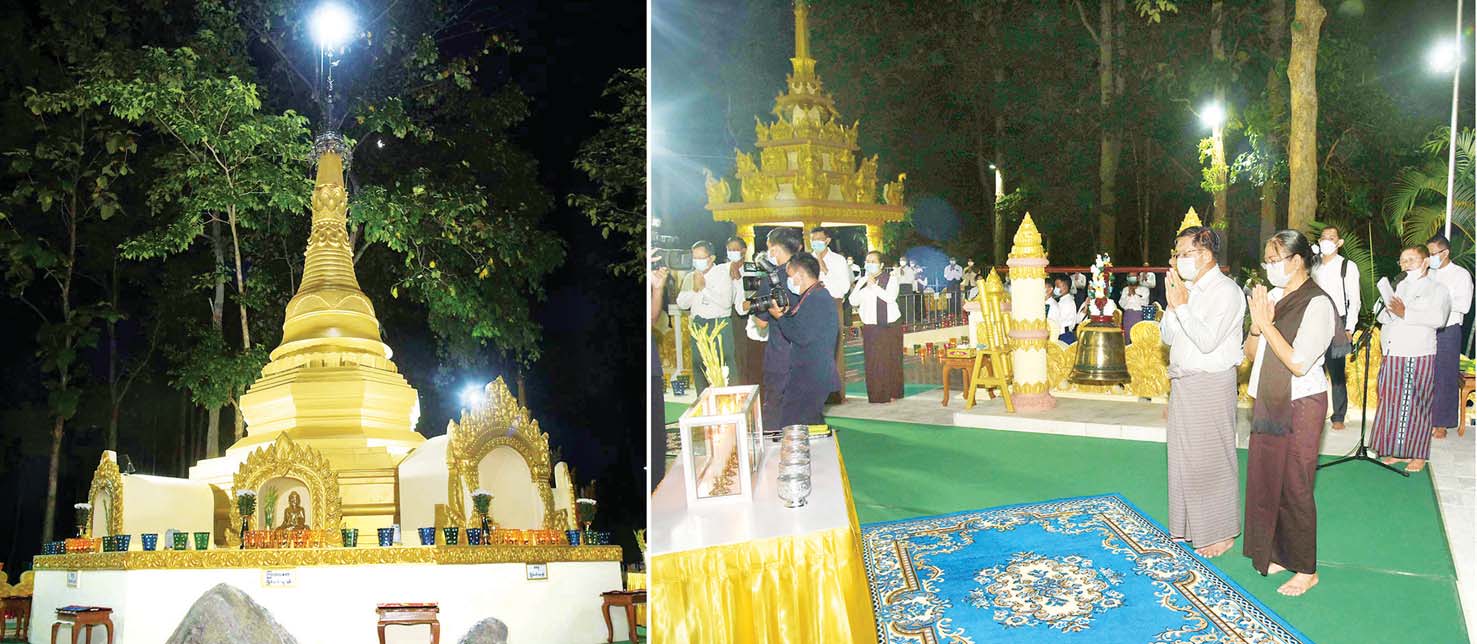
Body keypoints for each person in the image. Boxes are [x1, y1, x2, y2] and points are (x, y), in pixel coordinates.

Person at [1243, 230, 1342, 597]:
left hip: (1301, 403)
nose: (1269, 267)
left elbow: (1299, 363)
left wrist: (1268, 325)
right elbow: (1251, 354)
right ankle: (1279, 553)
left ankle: (1306, 568)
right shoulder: (1272, 297)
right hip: (1269, 399)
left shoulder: (1317, 303)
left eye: (1275, 260)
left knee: (1296, 485)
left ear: (1297, 260)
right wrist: (1257, 327)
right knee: (1270, 479)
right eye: (1266, 261)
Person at [1160, 226, 1245, 559]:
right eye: (1177, 254)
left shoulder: (1226, 291)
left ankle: (1221, 532)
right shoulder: (1188, 290)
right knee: (1184, 459)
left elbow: (1208, 341)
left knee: (1212, 460)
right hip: (1183, 382)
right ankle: (1187, 527)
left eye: (1185, 253)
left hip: (1211, 383)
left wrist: (1182, 306)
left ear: (1206, 255)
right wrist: (1173, 306)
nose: (1178, 260)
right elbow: (1168, 337)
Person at [1370, 246, 1450, 472]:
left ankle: (1418, 454)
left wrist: (1405, 313)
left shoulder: (1437, 289)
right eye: (1403, 260)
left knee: (1417, 403)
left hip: (1418, 351)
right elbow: (1386, 316)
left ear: (1425, 262)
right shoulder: (1400, 286)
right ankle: (1396, 450)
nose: (1405, 264)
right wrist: (1385, 310)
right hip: (1393, 351)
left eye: (1411, 260)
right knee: (1392, 402)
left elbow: (1439, 318)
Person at [766, 253, 842, 426]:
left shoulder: (817, 299)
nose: (788, 281)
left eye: (790, 276)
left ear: (800, 276)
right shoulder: (815, 295)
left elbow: (801, 335)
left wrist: (780, 317)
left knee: (794, 424)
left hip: (810, 376)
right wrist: (786, 314)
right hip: (809, 374)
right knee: (809, 423)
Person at [752, 228, 803, 430]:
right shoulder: (810, 274)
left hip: (781, 354)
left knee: (775, 408)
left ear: (774, 250)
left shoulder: (770, 281)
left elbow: (761, 323)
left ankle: (774, 441)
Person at [1311, 225, 1361, 430]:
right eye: (1323, 238)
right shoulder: (1313, 265)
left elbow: (1354, 300)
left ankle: (1338, 415)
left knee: (1337, 369)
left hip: (1337, 321)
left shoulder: (1347, 266)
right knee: (1312, 368)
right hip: (1314, 320)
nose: (1326, 241)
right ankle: (1313, 412)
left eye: (1331, 238)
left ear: (1339, 242)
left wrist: (1349, 328)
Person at [1426, 234, 1473, 438]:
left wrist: (1441, 300)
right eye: (1428, 254)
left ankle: (1442, 423)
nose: (1430, 257)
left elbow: (1465, 305)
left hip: (1448, 329)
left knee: (1445, 375)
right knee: (1426, 374)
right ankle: (1425, 419)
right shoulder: (1428, 274)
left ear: (1445, 253)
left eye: (1433, 253)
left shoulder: (1460, 275)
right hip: (1426, 328)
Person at [676, 241, 735, 393]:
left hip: (719, 325)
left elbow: (726, 303)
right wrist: (695, 290)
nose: (697, 262)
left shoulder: (723, 273)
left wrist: (704, 288)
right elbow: (681, 303)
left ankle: (728, 400)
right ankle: (702, 399)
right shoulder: (690, 276)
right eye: (694, 258)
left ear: (711, 258)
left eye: (700, 258)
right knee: (699, 365)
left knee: (725, 366)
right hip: (698, 326)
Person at [849, 251, 904, 403]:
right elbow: (853, 301)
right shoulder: (863, 280)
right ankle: (877, 395)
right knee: (874, 361)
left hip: (889, 325)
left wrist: (874, 286)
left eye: (873, 261)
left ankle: (893, 392)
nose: (869, 264)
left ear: (881, 265)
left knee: (890, 359)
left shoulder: (891, 279)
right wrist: (864, 285)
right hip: (871, 326)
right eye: (867, 261)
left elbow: (890, 297)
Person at [810, 228, 850, 405]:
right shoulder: (806, 259)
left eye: (819, 239)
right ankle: (817, 393)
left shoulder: (838, 260)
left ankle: (837, 393)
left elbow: (844, 288)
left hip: (832, 304)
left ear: (827, 241)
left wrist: (824, 269)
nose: (816, 243)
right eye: (813, 239)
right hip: (812, 306)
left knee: (835, 348)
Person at [726, 236, 764, 387]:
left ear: (743, 251)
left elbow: (753, 295)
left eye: (735, 249)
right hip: (727, 316)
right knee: (731, 356)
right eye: (729, 249)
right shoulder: (722, 269)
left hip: (747, 317)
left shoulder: (752, 270)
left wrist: (738, 279)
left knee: (747, 356)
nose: (732, 252)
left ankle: (748, 387)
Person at [649, 252, 670, 491]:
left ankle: (657, 488)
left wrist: (657, 289)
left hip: (652, 373)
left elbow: (652, 319)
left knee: (656, 439)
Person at [1046, 276, 1082, 343]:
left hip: (1064, 335)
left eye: (1058, 286)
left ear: (1065, 287)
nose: (1055, 289)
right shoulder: (1062, 300)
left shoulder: (1068, 302)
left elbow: (1057, 321)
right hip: (1060, 333)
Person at [1118, 273, 1151, 344]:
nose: (1132, 278)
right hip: (1128, 315)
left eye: (1134, 276)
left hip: (1138, 315)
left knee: (1137, 337)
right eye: (1130, 276)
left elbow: (1145, 303)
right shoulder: (1125, 289)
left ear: (1138, 277)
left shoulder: (1144, 289)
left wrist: (1135, 294)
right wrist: (1128, 295)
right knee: (1127, 337)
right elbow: (1121, 304)